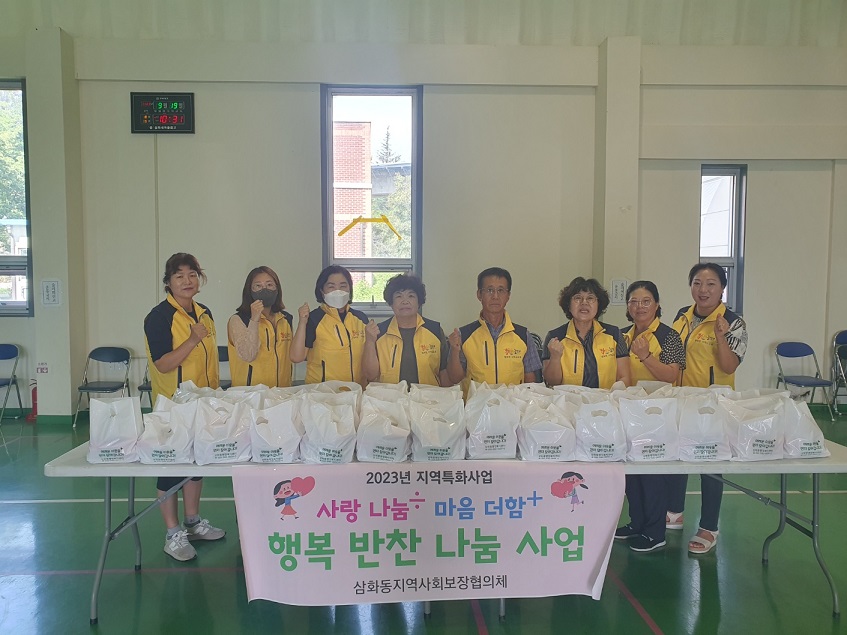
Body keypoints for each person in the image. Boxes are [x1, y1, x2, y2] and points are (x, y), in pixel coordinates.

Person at [143, 253, 225, 562]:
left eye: (192, 274)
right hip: (173, 406)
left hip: (203, 403)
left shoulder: (205, 312)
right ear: (168, 282)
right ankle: (172, 533)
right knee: (171, 469)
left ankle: (192, 522)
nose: (187, 281)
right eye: (179, 276)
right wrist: (191, 340)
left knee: (196, 463)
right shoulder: (159, 317)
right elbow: (163, 364)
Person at [667, 263, 748, 555]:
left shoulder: (733, 321)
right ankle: (674, 511)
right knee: (677, 456)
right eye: (697, 283)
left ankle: (709, 527)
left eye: (711, 284)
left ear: (722, 288)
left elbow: (729, 365)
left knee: (710, 465)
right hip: (681, 399)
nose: (703, 290)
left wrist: (721, 336)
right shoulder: (682, 316)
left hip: (712, 405)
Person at [615, 281, 686, 552]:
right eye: (633, 301)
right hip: (628, 412)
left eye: (646, 301)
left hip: (657, 416)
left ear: (656, 305)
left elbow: (672, 375)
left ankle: (655, 532)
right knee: (632, 473)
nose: (639, 307)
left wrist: (645, 357)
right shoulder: (621, 335)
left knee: (653, 474)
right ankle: (637, 523)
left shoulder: (669, 336)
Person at [447, 267, 541, 387]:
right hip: (476, 399)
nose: (495, 296)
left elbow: (530, 381)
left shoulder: (523, 335)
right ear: (479, 295)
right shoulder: (464, 335)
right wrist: (454, 351)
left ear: (508, 296)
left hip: (512, 399)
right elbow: (454, 379)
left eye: (501, 290)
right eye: (489, 290)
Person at [362, 273, 457, 386]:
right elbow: (370, 375)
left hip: (427, 396)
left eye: (411, 296)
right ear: (391, 303)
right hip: (390, 396)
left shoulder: (435, 330)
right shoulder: (379, 332)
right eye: (399, 296)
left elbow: (443, 372)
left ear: (419, 302)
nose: (405, 301)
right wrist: (370, 341)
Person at [542, 277, 632, 389]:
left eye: (590, 298)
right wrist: (555, 358)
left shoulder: (614, 334)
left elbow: (624, 378)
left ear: (598, 304)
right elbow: (552, 382)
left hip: (606, 398)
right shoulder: (555, 337)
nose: (584, 303)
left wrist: (611, 396)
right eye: (577, 298)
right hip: (567, 399)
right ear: (568, 305)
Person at [290, 265, 369, 386]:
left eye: (343, 286)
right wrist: (302, 322)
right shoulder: (314, 319)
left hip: (356, 390)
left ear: (350, 289)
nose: (338, 291)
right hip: (322, 393)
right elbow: (296, 357)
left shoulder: (361, 318)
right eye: (331, 286)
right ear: (322, 291)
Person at [227, 266, 293, 388]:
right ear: (250, 291)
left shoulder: (285, 319)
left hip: (282, 392)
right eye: (258, 286)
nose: (264, 289)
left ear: (277, 289)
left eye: (269, 285)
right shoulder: (238, 320)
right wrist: (254, 319)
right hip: (249, 394)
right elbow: (248, 355)